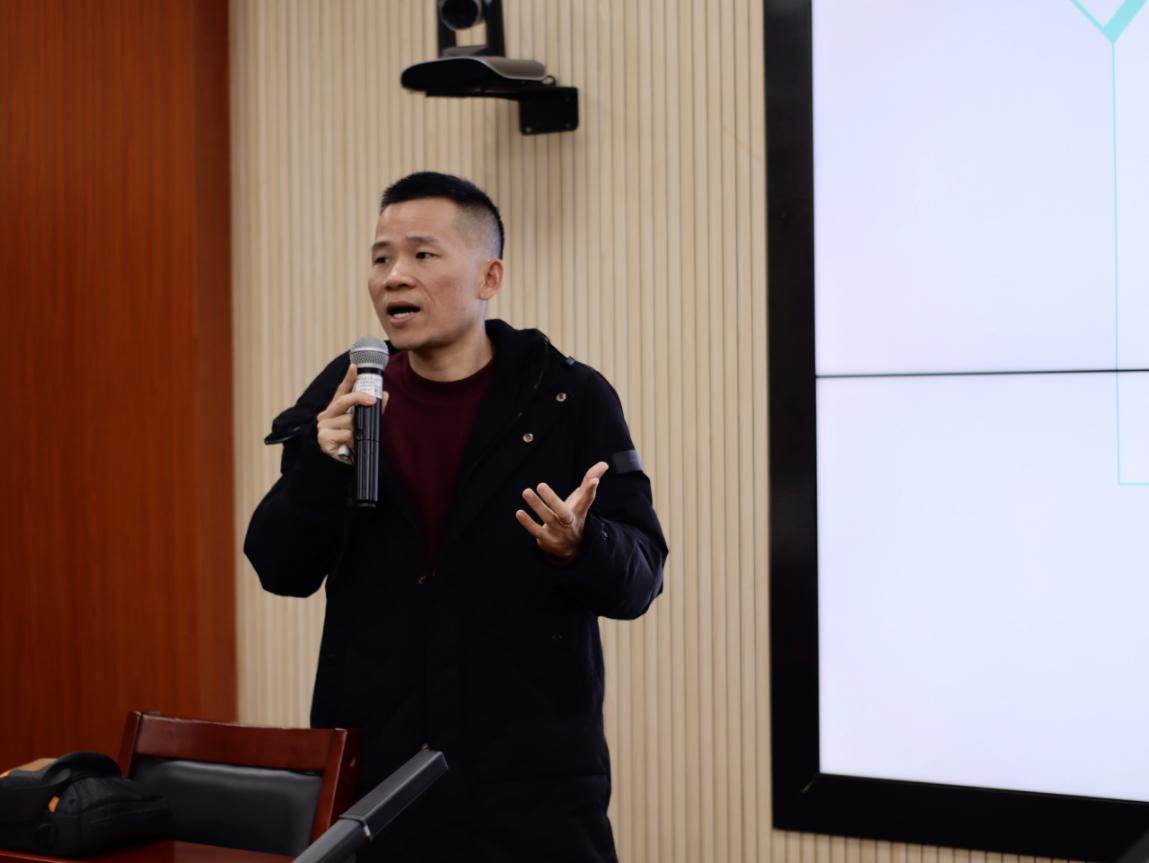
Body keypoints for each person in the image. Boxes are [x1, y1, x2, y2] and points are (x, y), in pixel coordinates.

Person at [244, 172, 667, 862]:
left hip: (529, 784)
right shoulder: (343, 397)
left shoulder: (566, 396)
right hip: (378, 781)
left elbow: (642, 576)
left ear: (488, 276)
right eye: (381, 258)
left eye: (422, 254)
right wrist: (322, 465)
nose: (394, 276)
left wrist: (580, 545)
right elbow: (278, 568)